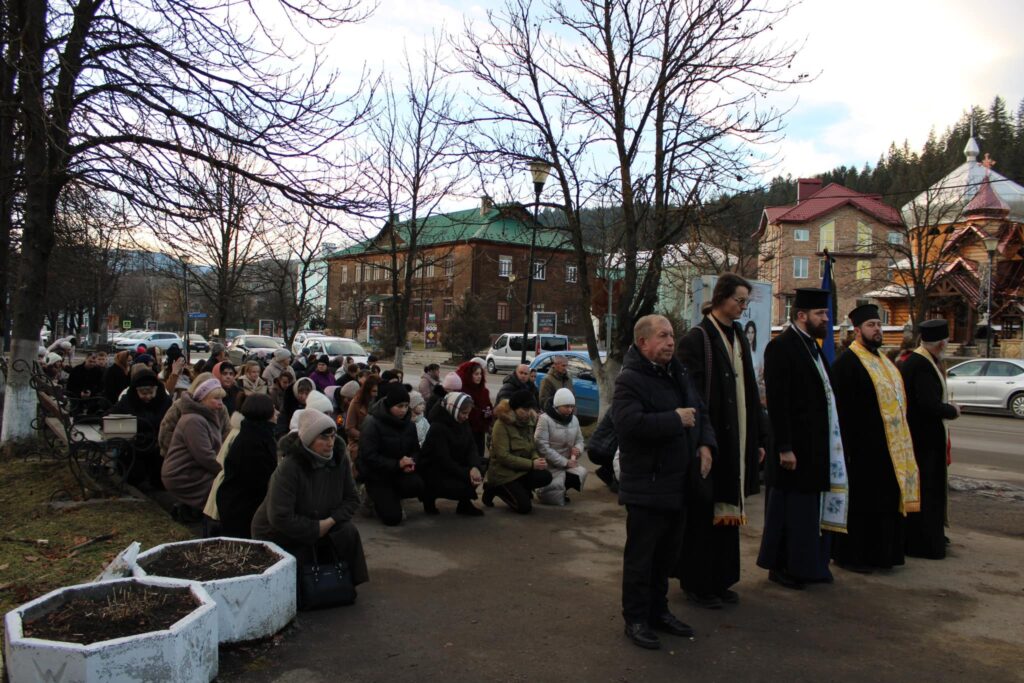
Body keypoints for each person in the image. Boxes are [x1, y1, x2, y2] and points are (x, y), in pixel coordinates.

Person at [614, 314, 715, 650]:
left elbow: (699, 411)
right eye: (663, 336)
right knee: (642, 560)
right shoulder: (630, 379)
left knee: (666, 558)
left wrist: (704, 443)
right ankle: (636, 619)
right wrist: (675, 419)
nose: (671, 341)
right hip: (647, 485)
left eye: (672, 335)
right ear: (644, 342)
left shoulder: (677, 372)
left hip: (678, 483)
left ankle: (659, 611)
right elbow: (629, 425)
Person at [674, 273, 767, 608]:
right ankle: (698, 583)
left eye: (746, 302)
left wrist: (757, 438)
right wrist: (703, 441)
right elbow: (691, 396)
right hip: (710, 442)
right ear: (721, 298)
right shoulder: (696, 339)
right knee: (703, 513)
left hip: (737, 439)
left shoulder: (738, 334)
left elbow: (749, 392)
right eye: (739, 300)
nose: (743, 307)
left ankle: (721, 578)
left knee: (727, 510)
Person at [757, 288, 845, 589]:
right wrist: (784, 446)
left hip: (814, 449)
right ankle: (783, 567)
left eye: (826, 313)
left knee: (806, 515)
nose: (826, 319)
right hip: (792, 450)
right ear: (802, 316)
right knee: (788, 514)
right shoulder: (782, 347)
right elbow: (779, 401)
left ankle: (807, 565)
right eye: (821, 314)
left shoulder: (813, 347)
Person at [831, 304, 920, 573]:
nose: (877, 330)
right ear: (857, 331)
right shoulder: (847, 362)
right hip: (862, 449)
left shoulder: (884, 361)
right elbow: (842, 408)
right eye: (871, 325)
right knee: (863, 505)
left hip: (889, 449)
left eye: (879, 325)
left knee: (885, 503)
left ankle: (884, 555)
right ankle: (854, 557)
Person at [251, 409, 369, 604]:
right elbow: (280, 517)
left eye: (332, 436)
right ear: (308, 439)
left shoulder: (339, 459)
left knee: (347, 532)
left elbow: (352, 499)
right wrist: (315, 528)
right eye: (323, 438)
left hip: (323, 520)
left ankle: (345, 581)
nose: (330, 442)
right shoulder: (289, 467)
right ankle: (299, 591)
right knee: (301, 560)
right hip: (278, 530)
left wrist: (329, 522)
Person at [899, 319, 960, 559]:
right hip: (923, 441)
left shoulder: (923, 360)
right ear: (941, 342)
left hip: (924, 439)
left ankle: (930, 537)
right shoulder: (921, 364)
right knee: (926, 491)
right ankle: (923, 542)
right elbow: (927, 404)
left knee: (929, 491)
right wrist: (951, 410)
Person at [356, 383, 425, 526]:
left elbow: (415, 450)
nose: (404, 410)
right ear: (389, 405)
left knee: (418, 485)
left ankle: (394, 497)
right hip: (376, 475)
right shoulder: (372, 423)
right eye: (399, 406)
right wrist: (397, 464)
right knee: (392, 519)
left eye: (406, 406)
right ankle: (370, 495)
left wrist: (410, 462)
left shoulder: (409, 425)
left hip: (399, 471)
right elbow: (368, 456)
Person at [214, 393, 279, 538]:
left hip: (239, 504)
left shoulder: (256, 434)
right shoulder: (253, 442)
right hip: (241, 510)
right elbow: (259, 481)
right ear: (263, 412)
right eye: (273, 409)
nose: (277, 413)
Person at [161, 378, 226, 519]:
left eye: (221, 399)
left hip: (194, 469)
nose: (220, 403)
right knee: (223, 488)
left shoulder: (207, 416)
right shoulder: (194, 420)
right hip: (184, 474)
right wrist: (225, 472)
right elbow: (205, 456)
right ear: (203, 399)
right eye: (216, 398)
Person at [483, 390, 552, 513]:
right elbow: (503, 456)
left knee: (545, 476)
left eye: (529, 408)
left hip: (521, 471)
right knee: (524, 508)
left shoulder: (529, 423)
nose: (527, 412)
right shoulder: (501, 425)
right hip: (503, 474)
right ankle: (494, 488)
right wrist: (531, 464)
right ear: (514, 408)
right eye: (524, 409)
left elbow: (532, 448)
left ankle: (520, 489)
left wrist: (536, 458)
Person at [418, 392, 485, 516]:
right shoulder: (438, 427)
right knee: (465, 483)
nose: (466, 417)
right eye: (464, 413)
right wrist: (467, 472)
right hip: (435, 470)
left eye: (468, 413)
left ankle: (464, 505)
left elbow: (471, 447)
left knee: (481, 467)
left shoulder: (462, 422)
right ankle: (429, 497)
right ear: (453, 409)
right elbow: (443, 460)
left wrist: (475, 467)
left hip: (455, 464)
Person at [110, 368, 172, 490]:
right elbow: (110, 417)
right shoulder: (128, 400)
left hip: (158, 446)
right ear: (136, 391)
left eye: (151, 392)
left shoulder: (164, 400)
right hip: (135, 446)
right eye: (143, 393)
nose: (148, 397)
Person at [534, 388, 587, 506]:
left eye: (572, 406)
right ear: (557, 405)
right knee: (551, 497)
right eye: (567, 406)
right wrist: (565, 462)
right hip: (549, 464)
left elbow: (580, 440)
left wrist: (578, 449)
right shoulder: (544, 419)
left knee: (581, 473)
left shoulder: (574, 419)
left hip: (568, 462)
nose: (570, 409)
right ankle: (540, 490)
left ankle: (563, 490)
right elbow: (542, 446)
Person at [158, 372, 232, 458]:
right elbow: (165, 434)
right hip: (182, 462)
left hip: (211, 460)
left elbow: (226, 435)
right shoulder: (180, 406)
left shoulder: (221, 409)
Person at [455, 360, 493, 462]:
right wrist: (480, 413)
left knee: (479, 457)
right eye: (476, 374)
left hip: (480, 432)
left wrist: (489, 413)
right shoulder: (462, 391)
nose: (479, 376)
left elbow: (489, 406)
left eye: (480, 374)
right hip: (466, 431)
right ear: (468, 375)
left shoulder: (484, 391)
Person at [345, 375, 380, 460]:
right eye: (374, 391)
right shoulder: (356, 402)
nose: (376, 394)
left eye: (378, 391)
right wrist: (366, 437)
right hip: (359, 442)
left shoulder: (381, 403)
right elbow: (349, 428)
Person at [587, 411, 619, 492]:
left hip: (601, 449)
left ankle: (605, 472)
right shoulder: (618, 409)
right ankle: (615, 481)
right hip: (600, 449)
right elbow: (624, 428)